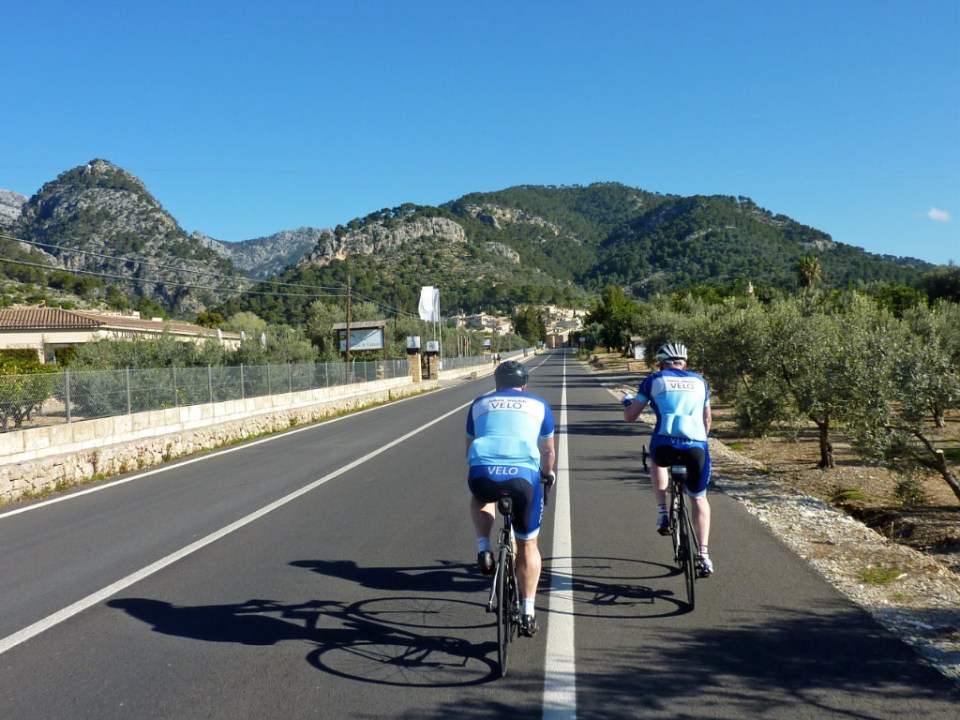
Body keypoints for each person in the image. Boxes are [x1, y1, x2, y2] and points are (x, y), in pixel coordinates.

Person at [466, 359, 556, 637]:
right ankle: (528, 611)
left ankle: (483, 548)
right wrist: (548, 475)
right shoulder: (539, 404)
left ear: (496, 384)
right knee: (528, 544)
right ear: (524, 385)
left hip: (483, 473)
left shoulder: (478, 404)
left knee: (481, 498)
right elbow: (548, 453)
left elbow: (469, 449)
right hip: (523, 478)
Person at [622, 342, 714, 576]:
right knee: (699, 499)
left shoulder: (654, 379)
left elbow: (631, 417)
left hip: (665, 444)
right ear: (685, 363)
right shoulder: (700, 382)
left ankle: (663, 511)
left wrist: (627, 402)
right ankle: (703, 555)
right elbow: (707, 421)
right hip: (696, 446)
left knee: (657, 460)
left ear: (661, 363)